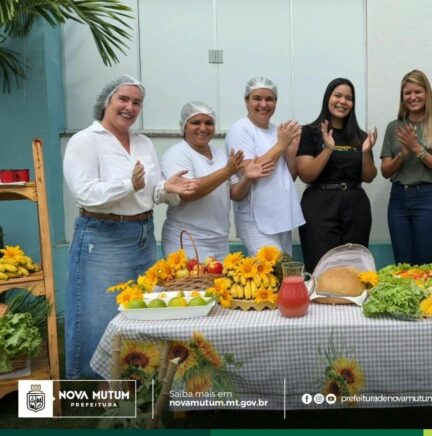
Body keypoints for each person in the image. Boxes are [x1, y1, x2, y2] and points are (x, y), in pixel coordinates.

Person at [63, 75, 198, 379]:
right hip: (103, 235)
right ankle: (98, 385)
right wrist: (128, 184)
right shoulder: (85, 140)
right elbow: (85, 193)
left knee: (140, 311)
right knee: (99, 316)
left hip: (142, 234)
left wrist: (167, 188)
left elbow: (150, 191)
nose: (130, 107)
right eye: (123, 99)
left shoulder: (143, 142)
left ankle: (135, 378)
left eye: (137, 102)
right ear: (106, 102)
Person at [161, 101, 273, 260]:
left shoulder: (219, 153)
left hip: (219, 240)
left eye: (209, 123)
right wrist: (227, 171)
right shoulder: (177, 154)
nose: (203, 128)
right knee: (190, 278)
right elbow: (188, 192)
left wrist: (247, 178)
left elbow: (235, 194)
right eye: (196, 122)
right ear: (184, 126)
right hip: (187, 239)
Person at [296, 78, 378, 272]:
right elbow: (306, 174)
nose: (342, 101)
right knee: (320, 267)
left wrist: (366, 152)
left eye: (348, 98)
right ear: (328, 98)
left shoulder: (360, 136)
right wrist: (328, 149)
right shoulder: (310, 132)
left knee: (354, 270)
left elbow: (369, 177)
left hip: (355, 206)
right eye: (338, 96)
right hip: (319, 205)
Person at [380, 70, 432, 265]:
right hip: (398, 200)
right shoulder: (393, 126)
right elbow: (385, 171)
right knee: (402, 265)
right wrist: (402, 154)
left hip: (428, 200)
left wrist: (416, 148)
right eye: (407, 93)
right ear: (402, 97)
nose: (412, 97)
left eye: (418, 92)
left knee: (425, 265)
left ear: (427, 93)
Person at [226, 77, 304, 257]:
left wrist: (290, 153)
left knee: (284, 271)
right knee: (271, 269)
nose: (263, 104)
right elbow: (248, 170)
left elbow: (288, 177)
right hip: (256, 220)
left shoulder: (277, 131)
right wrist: (281, 145)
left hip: (281, 217)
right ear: (246, 101)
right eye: (257, 98)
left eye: (269, 99)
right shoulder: (240, 130)